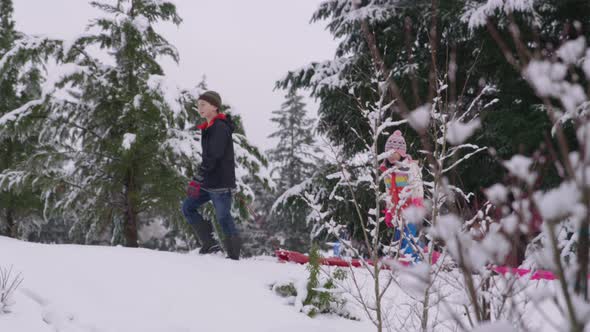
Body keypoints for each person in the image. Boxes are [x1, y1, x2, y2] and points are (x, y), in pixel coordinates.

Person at [182, 90, 241, 260]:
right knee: (188, 207)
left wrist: (198, 177)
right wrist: (200, 180)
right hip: (208, 182)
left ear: (214, 107)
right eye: (198, 104)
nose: (199, 107)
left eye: (203, 104)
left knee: (223, 217)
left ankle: (233, 255)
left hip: (221, 184)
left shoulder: (220, 128)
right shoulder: (209, 127)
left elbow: (214, 155)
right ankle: (210, 243)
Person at [380, 130, 424, 260]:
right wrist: (389, 211)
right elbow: (388, 192)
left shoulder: (410, 167)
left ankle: (413, 264)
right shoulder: (387, 171)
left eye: (394, 153)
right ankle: (417, 258)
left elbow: (417, 185)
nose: (391, 156)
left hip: (411, 209)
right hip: (397, 211)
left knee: (409, 237)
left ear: (402, 153)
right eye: (389, 153)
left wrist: (417, 202)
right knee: (399, 238)